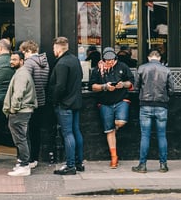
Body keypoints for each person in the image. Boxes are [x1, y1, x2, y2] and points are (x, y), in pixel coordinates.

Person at [89, 47, 134, 168]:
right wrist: (104, 86)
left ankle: (116, 127)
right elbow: (92, 86)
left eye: (112, 59)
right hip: (105, 103)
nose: (109, 62)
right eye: (107, 60)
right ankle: (114, 157)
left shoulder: (122, 66)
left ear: (115, 58)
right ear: (103, 59)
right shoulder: (97, 70)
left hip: (121, 100)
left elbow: (131, 82)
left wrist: (122, 84)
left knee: (120, 122)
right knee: (109, 130)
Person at [132, 49, 175, 174]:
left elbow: (136, 87)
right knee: (162, 135)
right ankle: (163, 165)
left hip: (145, 105)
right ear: (159, 58)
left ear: (149, 57)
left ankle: (142, 165)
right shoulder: (166, 70)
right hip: (162, 105)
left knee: (145, 135)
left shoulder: (141, 68)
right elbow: (171, 89)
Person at [48, 37, 84, 175]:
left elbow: (60, 86)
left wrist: (55, 100)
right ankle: (79, 163)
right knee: (76, 132)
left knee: (68, 134)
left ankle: (70, 165)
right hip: (75, 102)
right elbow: (80, 76)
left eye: (53, 49)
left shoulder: (62, 63)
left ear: (58, 48)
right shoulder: (75, 60)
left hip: (65, 105)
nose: (53, 51)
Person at [3, 51, 37, 177]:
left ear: (22, 61)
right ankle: (24, 162)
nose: (12, 61)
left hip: (20, 111)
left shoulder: (22, 74)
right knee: (23, 137)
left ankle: (24, 165)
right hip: (24, 110)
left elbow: (18, 93)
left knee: (20, 139)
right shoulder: (21, 73)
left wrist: (13, 109)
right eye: (11, 59)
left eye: (15, 59)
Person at [19, 40, 53, 167]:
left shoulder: (28, 63)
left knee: (25, 132)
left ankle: (28, 159)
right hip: (41, 100)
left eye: (23, 52)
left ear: (28, 51)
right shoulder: (44, 62)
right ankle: (34, 157)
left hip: (29, 101)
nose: (23, 56)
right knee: (36, 131)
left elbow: (24, 82)